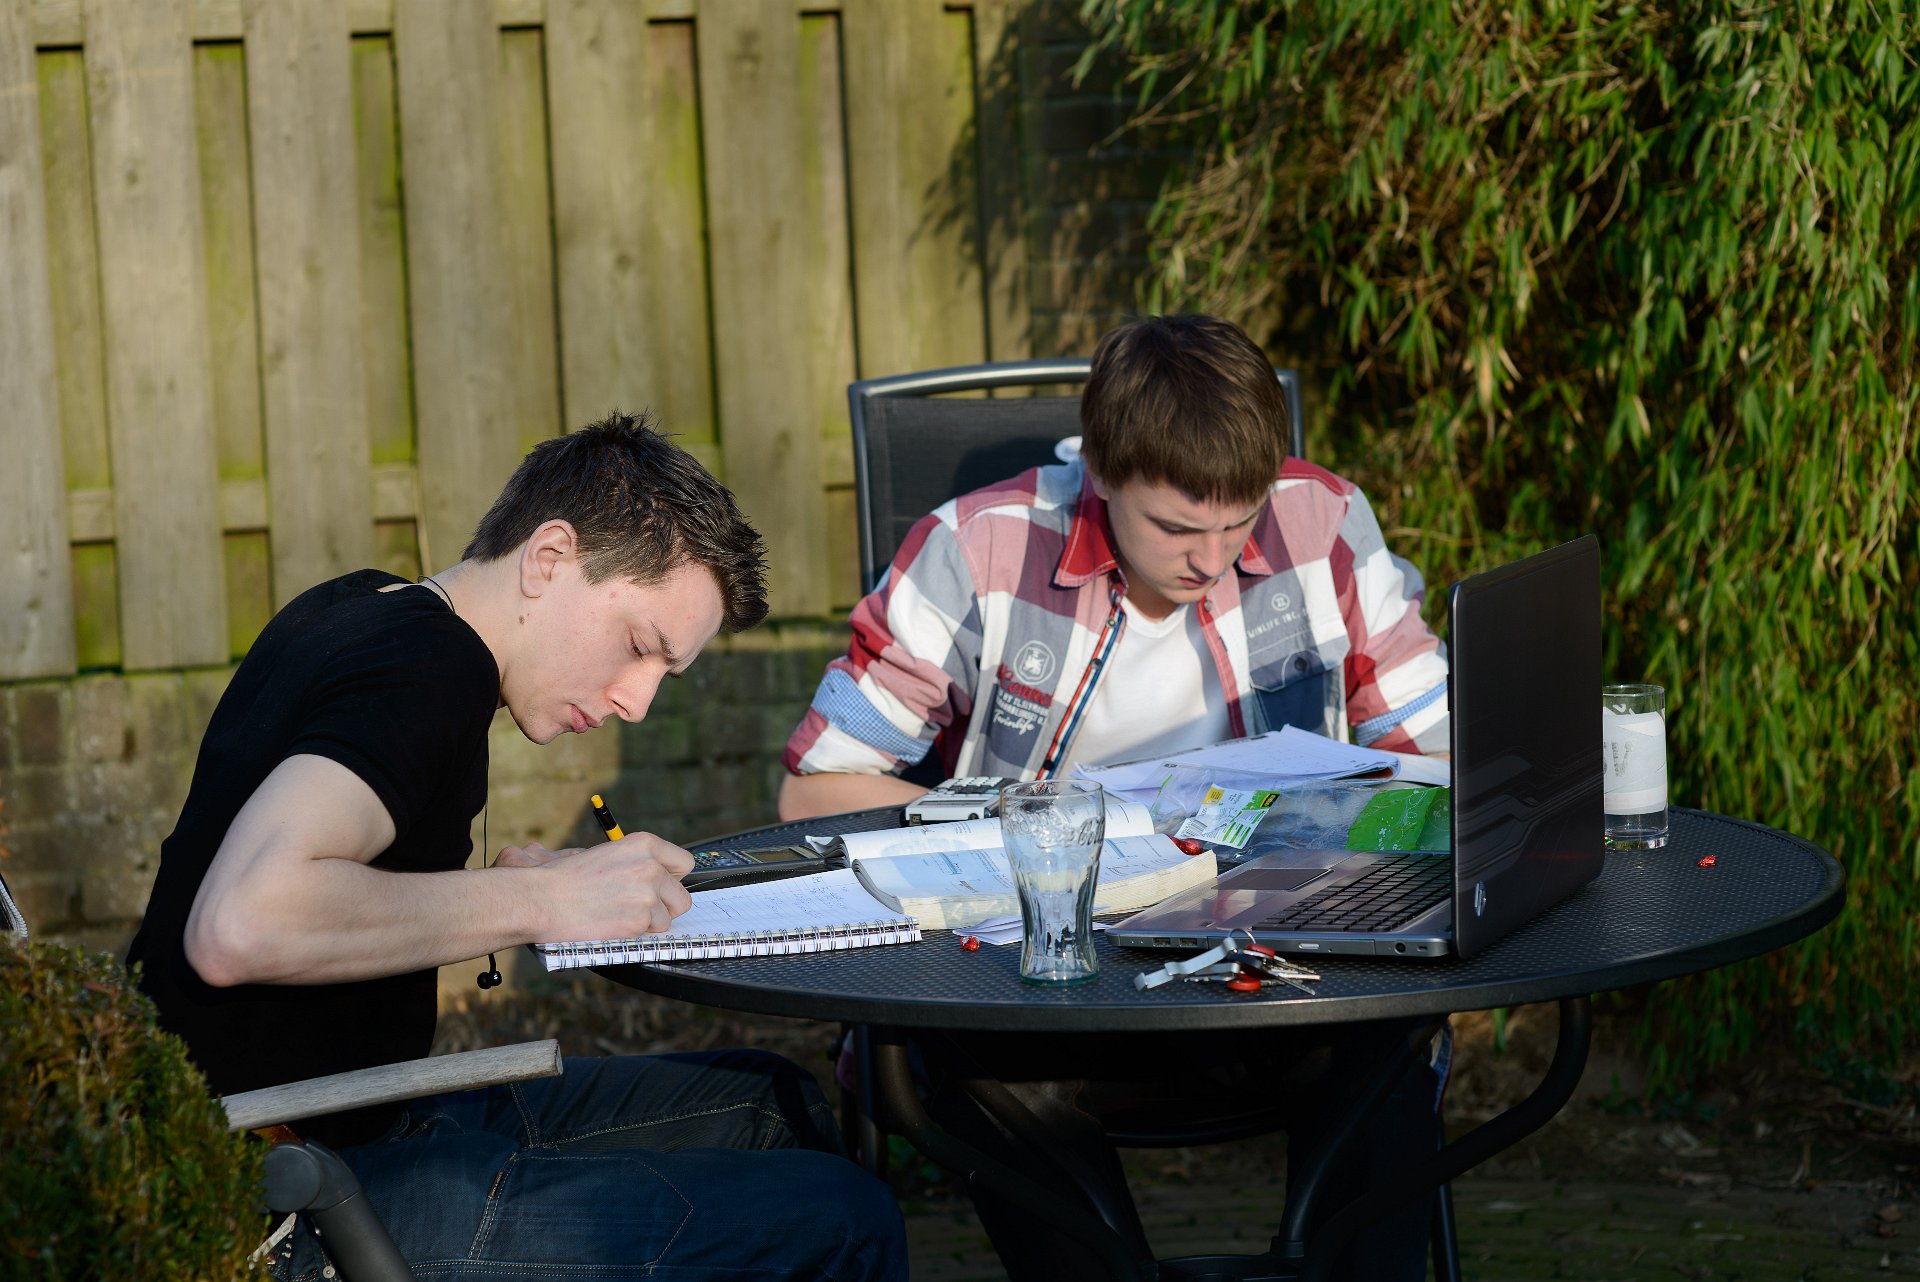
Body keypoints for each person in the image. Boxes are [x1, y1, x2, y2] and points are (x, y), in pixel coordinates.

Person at [126, 413, 906, 1282]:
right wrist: (542, 903)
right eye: (639, 647)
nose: (637, 701)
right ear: (549, 558)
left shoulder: (360, 607)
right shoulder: (430, 667)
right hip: (271, 1190)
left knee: (771, 1099)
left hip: (344, 1117)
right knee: (846, 1220)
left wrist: (523, 888)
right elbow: (242, 923)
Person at [778, 313, 1451, 1279]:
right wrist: (1044, 827)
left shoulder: (1324, 521)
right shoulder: (976, 551)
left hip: (1281, 972)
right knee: (978, 1064)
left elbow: (1435, 750)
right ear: (1098, 469)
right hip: (1046, 993)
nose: (1212, 560)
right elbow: (814, 792)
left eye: (1238, 523)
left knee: (1394, 1036)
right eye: (1174, 527)